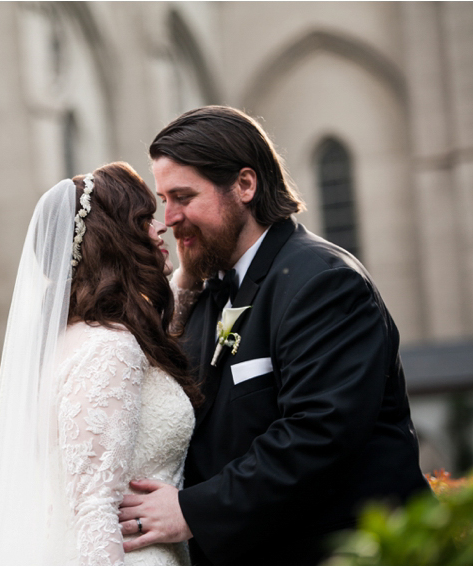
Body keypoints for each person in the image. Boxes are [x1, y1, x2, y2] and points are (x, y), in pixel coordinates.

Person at [117, 106, 431, 565]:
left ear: (245, 185)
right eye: (164, 199)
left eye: (183, 196)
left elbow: (318, 433)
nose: (169, 218)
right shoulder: (204, 292)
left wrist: (191, 511)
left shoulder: (323, 282)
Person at [0, 161, 201, 565]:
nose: (160, 227)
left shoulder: (70, 338)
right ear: (115, 239)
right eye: (145, 219)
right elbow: (94, 508)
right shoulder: (110, 346)